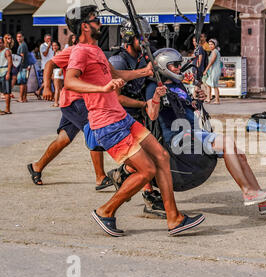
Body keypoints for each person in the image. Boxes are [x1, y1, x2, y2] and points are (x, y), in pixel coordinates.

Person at [64, 5, 204, 237]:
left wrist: (144, 72)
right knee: (147, 170)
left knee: (161, 155)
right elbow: (70, 81)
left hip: (122, 118)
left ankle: (174, 219)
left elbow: (116, 75)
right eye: (95, 19)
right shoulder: (80, 52)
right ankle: (105, 211)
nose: (99, 22)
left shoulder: (96, 50)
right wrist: (101, 88)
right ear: (85, 26)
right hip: (106, 123)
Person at [146, 48, 266, 215]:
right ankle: (247, 192)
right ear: (163, 66)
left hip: (195, 132)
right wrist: (156, 97)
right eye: (174, 65)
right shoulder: (154, 86)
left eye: (179, 64)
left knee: (239, 154)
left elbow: (185, 107)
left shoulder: (177, 84)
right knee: (227, 141)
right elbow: (152, 114)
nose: (179, 68)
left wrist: (195, 99)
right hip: (178, 137)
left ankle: (264, 202)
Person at [28, 37, 113, 191]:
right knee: (94, 129)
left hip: (83, 101)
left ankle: (37, 166)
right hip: (74, 101)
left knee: (63, 140)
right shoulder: (73, 51)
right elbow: (49, 64)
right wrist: (47, 86)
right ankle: (100, 177)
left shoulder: (95, 52)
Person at [108, 20, 165, 218]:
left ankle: (121, 173)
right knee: (147, 159)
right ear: (129, 38)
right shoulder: (118, 62)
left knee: (153, 154)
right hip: (121, 117)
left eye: (147, 37)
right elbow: (117, 98)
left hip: (138, 114)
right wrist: (144, 104)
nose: (146, 41)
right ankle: (148, 197)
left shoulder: (142, 59)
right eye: (142, 38)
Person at [203, 39, 221, 104]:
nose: (210, 46)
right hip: (212, 70)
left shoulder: (215, 52)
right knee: (208, 84)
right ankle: (208, 98)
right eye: (209, 44)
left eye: (212, 44)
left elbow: (211, 62)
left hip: (215, 70)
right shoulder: (213, 51)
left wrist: (206, 70)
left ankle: (217, 100)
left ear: (215, 45)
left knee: (215, 85)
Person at [16, 32, 30, 103]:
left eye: (20, 37)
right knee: (24, 83)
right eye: (17, 37)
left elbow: (22, 57)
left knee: (22, 83)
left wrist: (19, 66)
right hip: (25, 66)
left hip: (22, 67)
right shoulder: (24, 45)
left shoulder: (22, 46)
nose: (18, 38)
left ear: (23, 37)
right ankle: (24, 98)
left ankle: (21, 98)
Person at [0, 36, 13, 115]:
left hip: (5, 73)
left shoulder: (6, 51)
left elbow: (10, 62)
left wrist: (8, 73)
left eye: (0, 43)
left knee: (7, 92)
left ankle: (7, 109)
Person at [4, 34, 17, 100]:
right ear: (5, 39)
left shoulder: (10, 47)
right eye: (8, 38)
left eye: (10, 38)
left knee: (13, 77)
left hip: (11, 64)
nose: (10, 39)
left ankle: (8, 91)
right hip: (5, 65)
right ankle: (5, 92)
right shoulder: (4, 47)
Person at [51, 41, 63, 107]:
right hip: (56, 71)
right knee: (60, 88)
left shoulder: (59, 53)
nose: (54, 47)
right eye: (53, 46)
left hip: (58, 71)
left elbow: (63, 62)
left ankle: (56, 102)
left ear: (58, 46)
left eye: (55, 45)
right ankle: (61, 102)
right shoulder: (55, 53)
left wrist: (61, 69)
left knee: (57, 88)